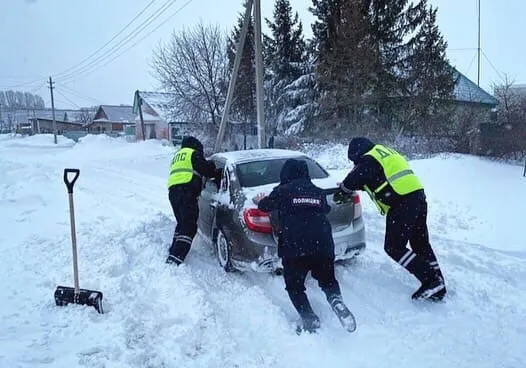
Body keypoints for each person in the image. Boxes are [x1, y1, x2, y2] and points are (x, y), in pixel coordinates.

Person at [334, 137, 446, 301]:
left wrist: (343, 188)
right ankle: (438, 282)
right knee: (420, 243)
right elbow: (373, 179)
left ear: (358, 153)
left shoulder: (369, 159)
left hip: (402, 202)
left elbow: (354, 179)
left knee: (394, 247)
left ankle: (431, 279)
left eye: (354, 160)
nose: (354, 164)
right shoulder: (384, 153)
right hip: (417, 196)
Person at [254, 158, 356, 333]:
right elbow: (326, 209)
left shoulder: (282, 191)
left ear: (285, 174)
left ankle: (310, 319)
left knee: (295, 286)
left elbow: (265, 206)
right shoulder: (317, 192)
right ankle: (336, 300)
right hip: (322, 244)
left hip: (295, 247)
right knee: (327, 279)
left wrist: (259, 200)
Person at [166, 136, 218, 266]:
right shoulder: (192, 154)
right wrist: (212, 165)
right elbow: (208, 170)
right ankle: (176, 258)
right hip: (186, 192)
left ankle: (173, 250)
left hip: (173, 193)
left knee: (182, 223)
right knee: (189, 226)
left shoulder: (177, 155)